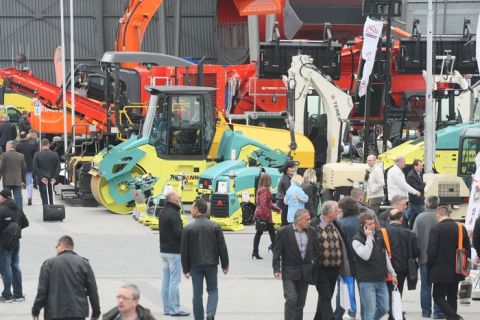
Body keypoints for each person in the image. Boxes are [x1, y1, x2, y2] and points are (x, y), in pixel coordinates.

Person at [32, 235, 100, 320]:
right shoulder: (84, 264)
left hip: (54, 313)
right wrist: (96, 312)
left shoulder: (49, 264)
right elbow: (92, 290)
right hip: (77, 313)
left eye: (56, 246)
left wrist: (36, 310)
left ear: (61, 245)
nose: (56, 249)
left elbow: (42, 291)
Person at [181, 199, 229, 320]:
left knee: (197, 294)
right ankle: (210, 314)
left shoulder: (188, 228)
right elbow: (222, 247)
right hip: (211, 264)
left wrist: (185, 269)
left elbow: (184, 250)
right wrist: (225, 264)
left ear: (197, 209)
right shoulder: (215, 226)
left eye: (192, 208)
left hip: (195, 265)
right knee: (213, 290)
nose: (191, 210)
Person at [273, 209, 319, 320]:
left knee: (300, 303)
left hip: (305, 271)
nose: (310, 221)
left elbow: (317, 250)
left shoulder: (312, 231)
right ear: (299, 220)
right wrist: (276, 269)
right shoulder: (283, 232)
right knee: (291, 298)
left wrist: (313, 262)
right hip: (289, 271)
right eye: (307, 219)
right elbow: (277, 252)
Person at [427, 206, 471, 320]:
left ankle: (454, 317)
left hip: (440, 269)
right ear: (449, 214)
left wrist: (430, 267)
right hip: (457, 268)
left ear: (438, 215)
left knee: (438, 296)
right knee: (452, 297)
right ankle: (452, 317)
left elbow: (432, 252)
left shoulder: (436, 229)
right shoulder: (461, 228)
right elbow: (467, 249)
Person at [352, 213, 397, 320]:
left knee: (384, 308)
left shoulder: (378, 235)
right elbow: (366, 256)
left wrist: (393, 273)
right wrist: (368, 238)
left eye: (373, 223)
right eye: (370, 224)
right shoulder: (356, 240)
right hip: (367, 281)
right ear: (362, 226)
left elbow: (385, 256)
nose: (373, 226)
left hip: (381, 279)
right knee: (370, 312)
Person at [312, 201, 352, 320]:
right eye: (337, 211)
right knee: (325, 296)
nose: (339, 212)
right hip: (321, 269)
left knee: (326, 297)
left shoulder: (336, 224)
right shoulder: (315, 225)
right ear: (329, 212)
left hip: (335, 269)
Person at [384, 209, 419, 320]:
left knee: (387, 291)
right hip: (403, 268)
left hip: (386, 267)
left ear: (388, 219)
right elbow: (416, 252)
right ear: (401, 219)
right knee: (398, 291)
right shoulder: (410, 233)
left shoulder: (383, 232)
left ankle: (393, 313)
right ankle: (395, 313)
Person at [159, 191, 189, 317]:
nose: (180, 201)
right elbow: (179, 234)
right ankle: (175, 309)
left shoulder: (162, 212)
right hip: (174, 251)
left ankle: (167, 308)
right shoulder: (174, 214)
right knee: (175, 281)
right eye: (178, 199)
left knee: (166, 280)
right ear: (173, 201)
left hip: (164, 250)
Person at [412, 196, 443, 319]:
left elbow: (415, 239)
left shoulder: (420, 217)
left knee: (425, 286)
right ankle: (438, 312)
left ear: (426, 204)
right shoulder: (441, 217)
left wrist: (415, 256)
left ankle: (426, 312)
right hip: (440, 259)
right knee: (439, 286)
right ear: (438, 204)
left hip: (424, 258)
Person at [333, 197, 360, 320]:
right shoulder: (361, 220)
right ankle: (359, 313)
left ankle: (342, 313)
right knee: (363, 289)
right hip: (361, 260)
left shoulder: (341, 223)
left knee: (344, 289)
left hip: (346, 261)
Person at [0, 189, 28, 302]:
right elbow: (26, 223)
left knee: (5, 268)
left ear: (3, 198)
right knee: (15, 266)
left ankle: (7, 295)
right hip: (16, 241)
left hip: (3, 242)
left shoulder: (2, 209)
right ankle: (18, 294)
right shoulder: (18, 209)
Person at [252, 172, 280, 259]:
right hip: (265, 215)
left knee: (259, 233)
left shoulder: (260, 189)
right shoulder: (264, 190)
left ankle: (255, 252)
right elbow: (264, 204)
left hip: (260, 214)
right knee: (272, 234)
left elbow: (265, 204)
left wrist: (276, 209)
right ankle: (276, 253)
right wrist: (267, 216)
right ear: (267, 181)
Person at [33, 139, 60, 206]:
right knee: (51, 194)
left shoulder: (37, 154)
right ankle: (52, 208)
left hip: (42, 179)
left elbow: (35, 167)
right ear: (49, 144)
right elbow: (58, 167)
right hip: (52, 178)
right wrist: (55, 178)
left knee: (44, 196)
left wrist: (41, 177)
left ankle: (46, 210)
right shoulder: (55, 154)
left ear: (41, 145)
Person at [0, 140, 26, 210]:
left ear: (9, 146)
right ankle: (20, 214)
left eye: (6, 145)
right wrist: (23, 180)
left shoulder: (4, 155)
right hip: (17, 180)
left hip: (7, 180)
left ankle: (6, 212)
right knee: (18, 198)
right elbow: (24, 169)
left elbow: (1, 168)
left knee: (5, 198)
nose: (5, 147)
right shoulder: (21, 156)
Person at [16, 132, 36, 206]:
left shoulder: (17, 146)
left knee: (18, 183)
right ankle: (29, 197)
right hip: (29, 166)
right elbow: (34, 155)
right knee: (29, 182)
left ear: (20, 137)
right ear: (26, 137)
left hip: (19, 166)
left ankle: (19, 198)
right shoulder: (32, 145)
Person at [406, 159, 426, 229]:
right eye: (420, 165)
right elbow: (416, 188)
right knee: (424, 217)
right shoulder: (411, 176)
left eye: (422, 165)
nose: (422, 167)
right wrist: (424, 184)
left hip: (415, 201)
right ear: (415, 166)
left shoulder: (419, 173)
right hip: (417, 201)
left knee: (409, 216)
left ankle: (404, 225)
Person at [277, 161, 296, 226]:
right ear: (287, 168)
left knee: (285, 222)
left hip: (283, 201)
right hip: (284, 202)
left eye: (294, 168)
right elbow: (289, 192)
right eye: (292, 168)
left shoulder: (287, 176)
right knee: (286, 223)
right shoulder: (286, 179)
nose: (294, 169)